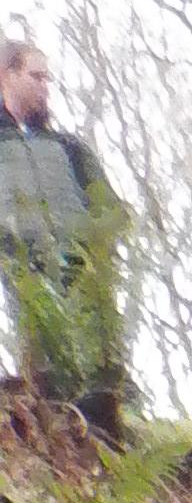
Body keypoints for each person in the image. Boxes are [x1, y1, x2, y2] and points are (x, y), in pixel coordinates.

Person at [0, 41, 127, 439]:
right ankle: (57, 428)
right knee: (45, 360)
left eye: (47, 79)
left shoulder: (68, 147)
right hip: (23, 267)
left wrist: (98, 244)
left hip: (77, 263)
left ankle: (105, 429)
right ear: (6, 76)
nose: (45, 87)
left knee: (95, 363)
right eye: (36, 77)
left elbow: (108, 207)